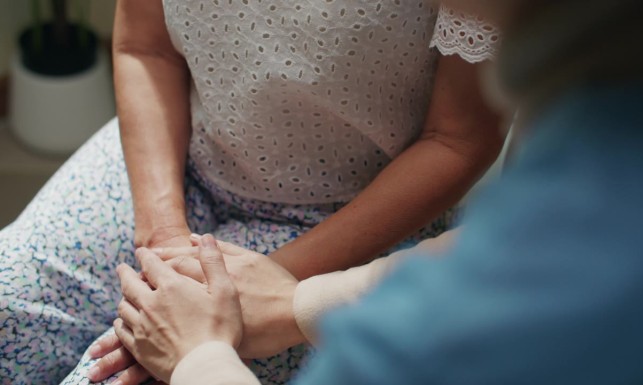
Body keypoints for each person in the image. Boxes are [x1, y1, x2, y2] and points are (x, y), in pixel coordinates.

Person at [105, 0, 643, 383]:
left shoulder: (419, 342)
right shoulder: (593, 155)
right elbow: (515, 248)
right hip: (193, 175)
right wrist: (285, 301)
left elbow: (522, 254)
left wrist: (201, 355)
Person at [0, 1, 502, 385]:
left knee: (110, 377)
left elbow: (458, 138)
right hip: (182, 159)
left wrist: (271, 287)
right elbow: (145, 47)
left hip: (350, 218)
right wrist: (162, 240)